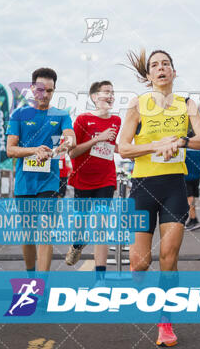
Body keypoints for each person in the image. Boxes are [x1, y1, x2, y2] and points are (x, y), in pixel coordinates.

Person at [119, 49, 200, 347]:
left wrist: (180, 141)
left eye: (166, 64)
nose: (161, 69)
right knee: (142, 263)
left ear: (173, 71)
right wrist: (157, 144)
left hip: (174, 188)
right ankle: (134, 267)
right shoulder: (138, 104)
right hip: (142, 186)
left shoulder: (186, 104)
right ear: (148, 76)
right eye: (155, 65)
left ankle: (165, 323)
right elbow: (123, 148)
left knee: (169, 258)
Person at [6, 67, 75, 272]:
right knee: (28, 235)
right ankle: (30, 275)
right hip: (24, 184)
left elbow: (71, 139)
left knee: (45, 232)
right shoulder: (19, 114)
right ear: (31, 88)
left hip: (49, 182)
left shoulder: (61, 115)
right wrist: (34, 150)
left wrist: (55, 150)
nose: (44, 95)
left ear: (54, 91)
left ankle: (41, 286)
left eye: (49, 91)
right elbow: (11, 149)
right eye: (40, 90)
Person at [65, 81, 121, 278]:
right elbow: (72, 153)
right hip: (82, 178)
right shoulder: (82, 120)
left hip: (106, 178)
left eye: (112, 92)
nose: (110, 95)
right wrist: (98, 138)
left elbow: (114, 147)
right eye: (106, 92)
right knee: (81, 224)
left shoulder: (116, 120)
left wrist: (140, 150)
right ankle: (77, 244)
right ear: (94, 97)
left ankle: (100, 278)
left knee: (100, 225)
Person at [184, 147, 200, 231]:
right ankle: (192, 219)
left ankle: (194, 220)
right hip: (197, 176)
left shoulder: (184, 148)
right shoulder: (198, 149)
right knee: (191, 198)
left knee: (190, 198)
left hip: (187, 176)